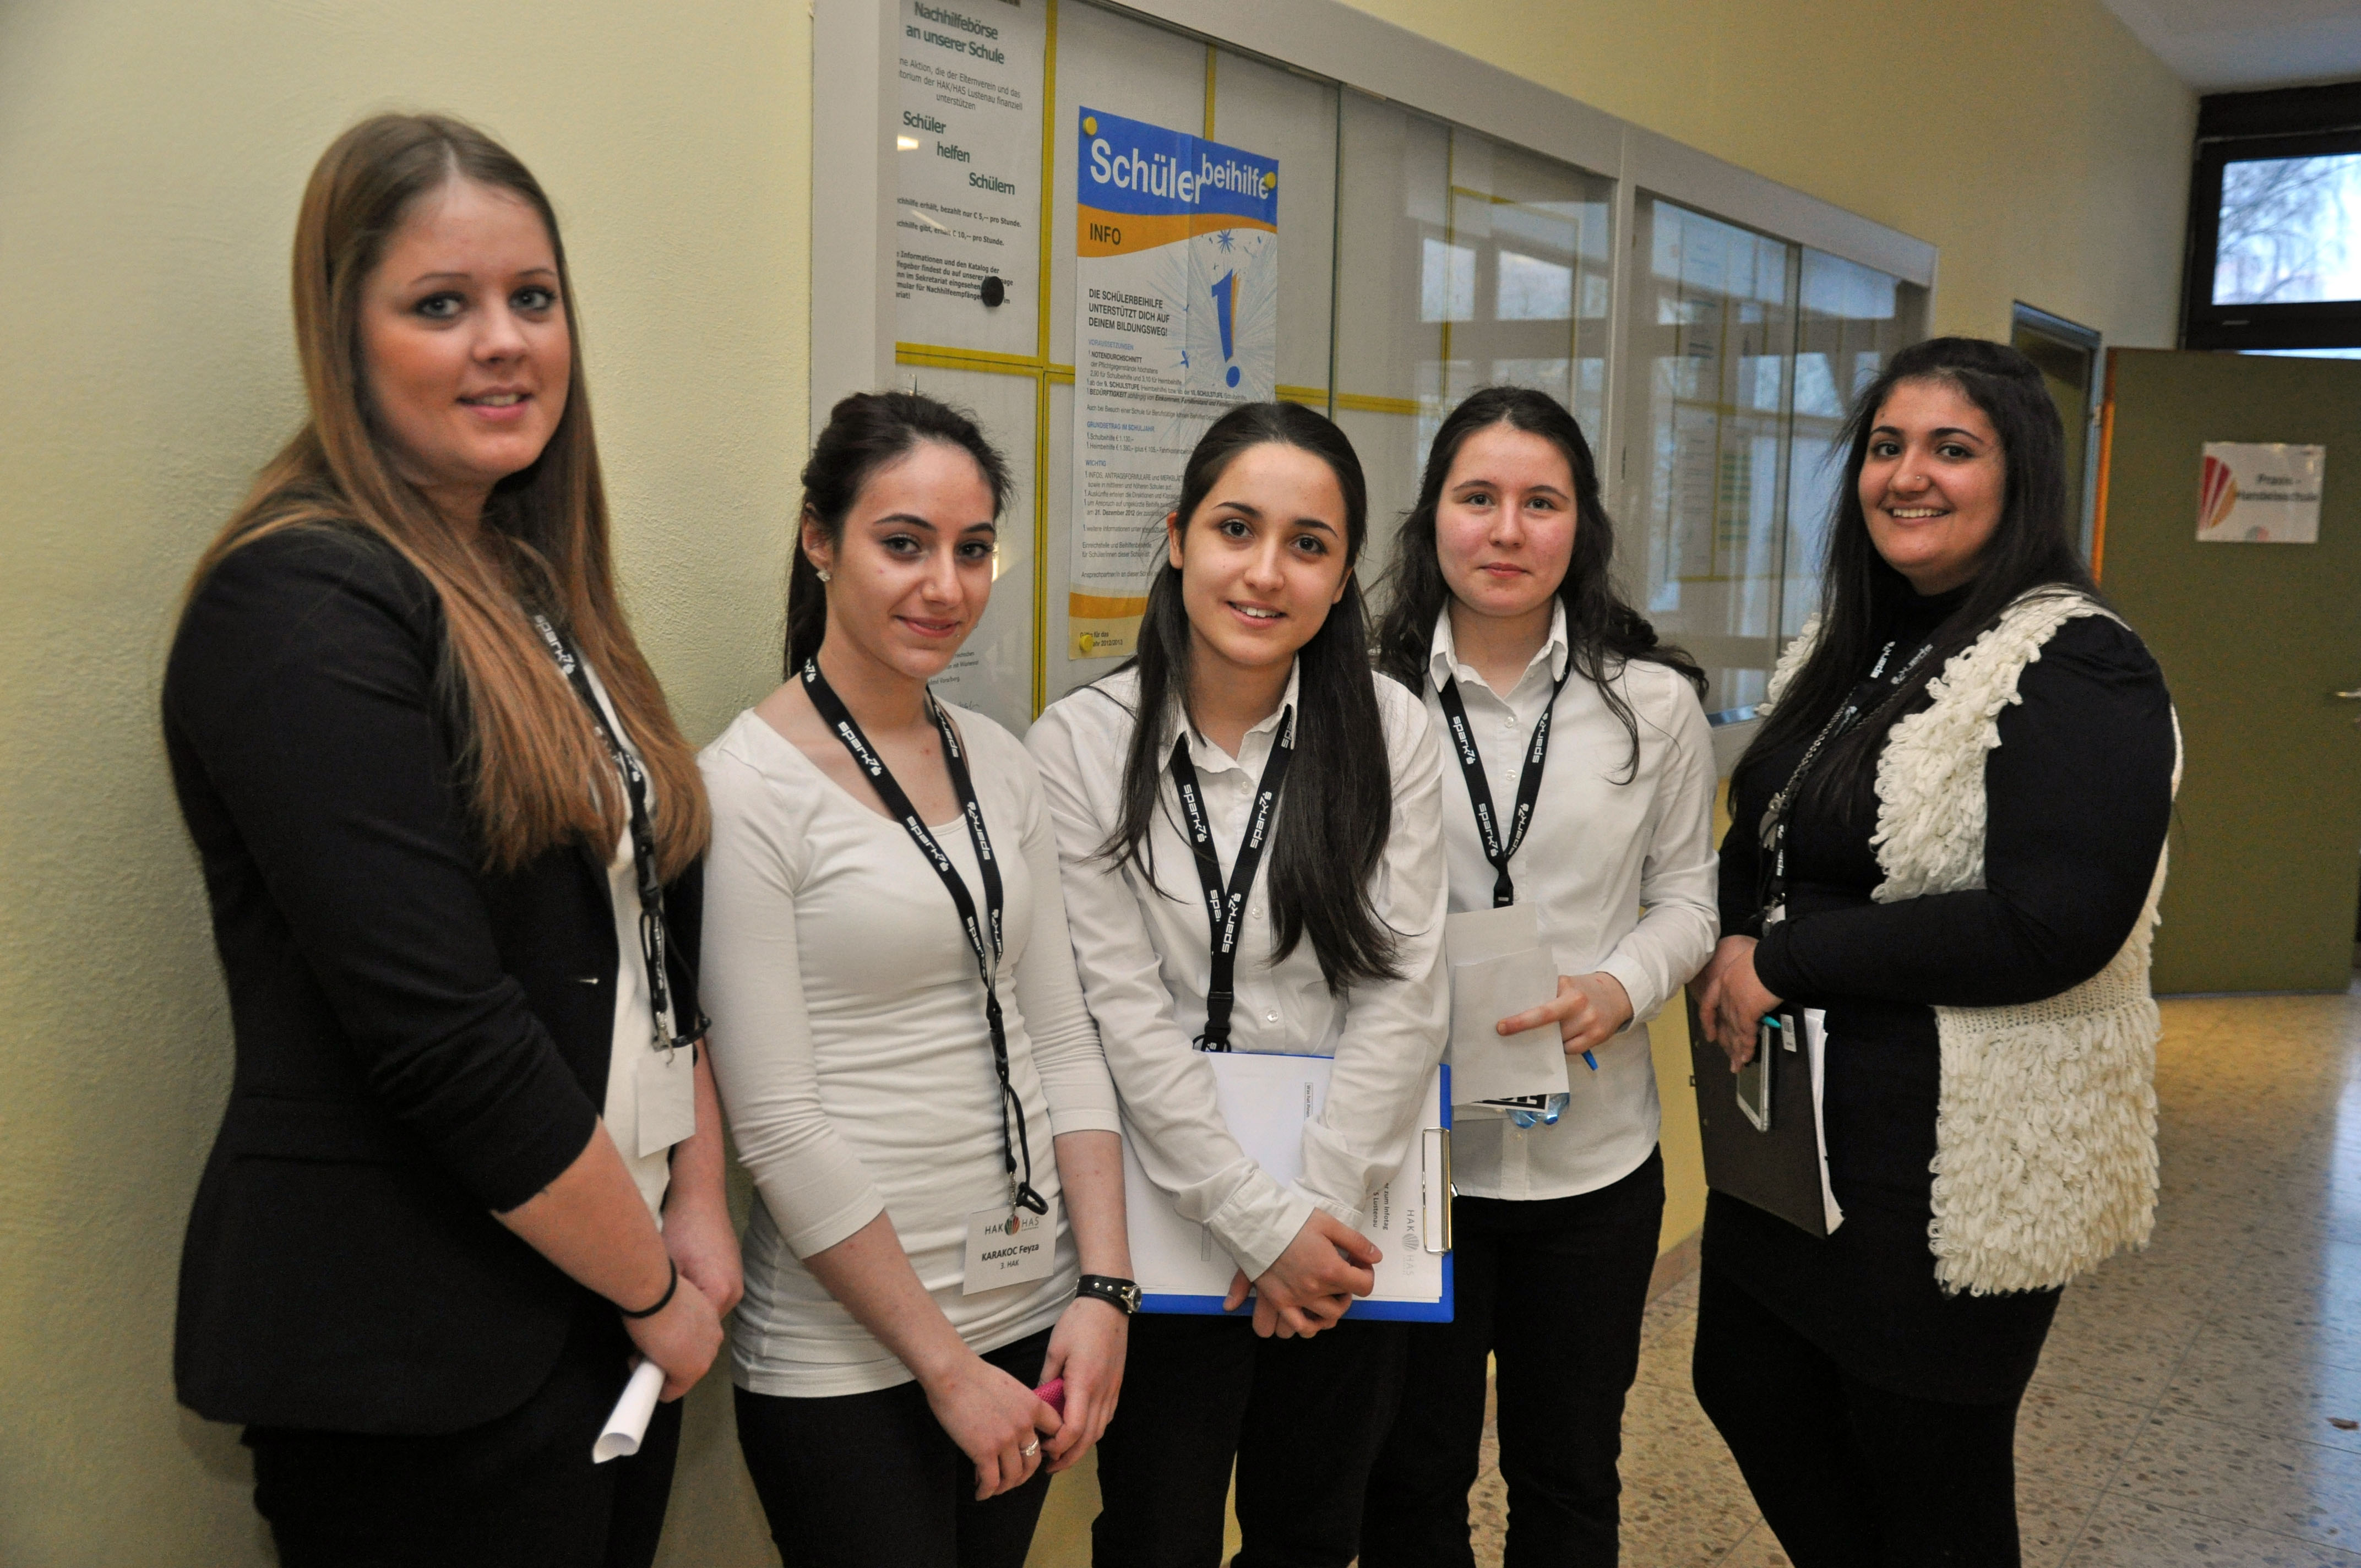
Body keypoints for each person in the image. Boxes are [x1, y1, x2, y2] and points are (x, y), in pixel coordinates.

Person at [164, 114, 737, 1567]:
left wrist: (698, 1205)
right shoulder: (298, 604)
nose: (503, 343)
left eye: (532, 298)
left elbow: (652, 933)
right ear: (341, 337)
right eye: (440, 304)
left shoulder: (534, 583)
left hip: (600, 1311)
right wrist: (654, 1288)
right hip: (422, 1363)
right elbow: (442, 1034)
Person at [1691, 337, 2178, 1566]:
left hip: (1948, 1159)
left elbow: (2050, 924)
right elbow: (1764, 827)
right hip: (1796, 1138)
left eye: (1951, 449)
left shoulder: (2077, 661)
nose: (1907, 475)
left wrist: (1784, 962)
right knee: (1749, 1385)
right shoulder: (1858, 643)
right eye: (1885, 446)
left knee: (1926, 1477)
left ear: (2021, 478)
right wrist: (1737, 928)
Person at [699, 390, 1133, 1568]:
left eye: (973, 549)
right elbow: (777, 1126)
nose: (945, 585)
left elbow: (1061, 1037)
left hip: (1031, 1314)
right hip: (850, 1358)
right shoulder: (745, 788)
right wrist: (945, 1367)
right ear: (818, 538)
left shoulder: (998, 759)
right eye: (904, 543)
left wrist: (1104, 1285)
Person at [1027, 400, 1451, 1568]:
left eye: (1307, 544)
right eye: (1234, 528)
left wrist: (1311, 1219)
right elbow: (1118, 1014)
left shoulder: (1391, 731)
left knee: (1312, 1531)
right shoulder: (1078, 743)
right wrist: (1257, 1224)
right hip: (1164, 1219)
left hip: (1344, 1219)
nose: (1265, 572)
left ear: (1342, 576)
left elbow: (1406, 990)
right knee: (1153, 1533)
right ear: (1177, 538)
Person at [1360, 385, 1718, 1566]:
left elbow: (1689, 901)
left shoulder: (1651, 704)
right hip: (1413, 1163)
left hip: (1594, 1162)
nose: (1506, 530)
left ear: (1582, 523)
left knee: (1568, 1476)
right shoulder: (1363, 697)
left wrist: (1618, 987)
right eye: (1477, 498)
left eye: (1540, 502)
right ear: (1432, 516)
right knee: (1409, 1476)